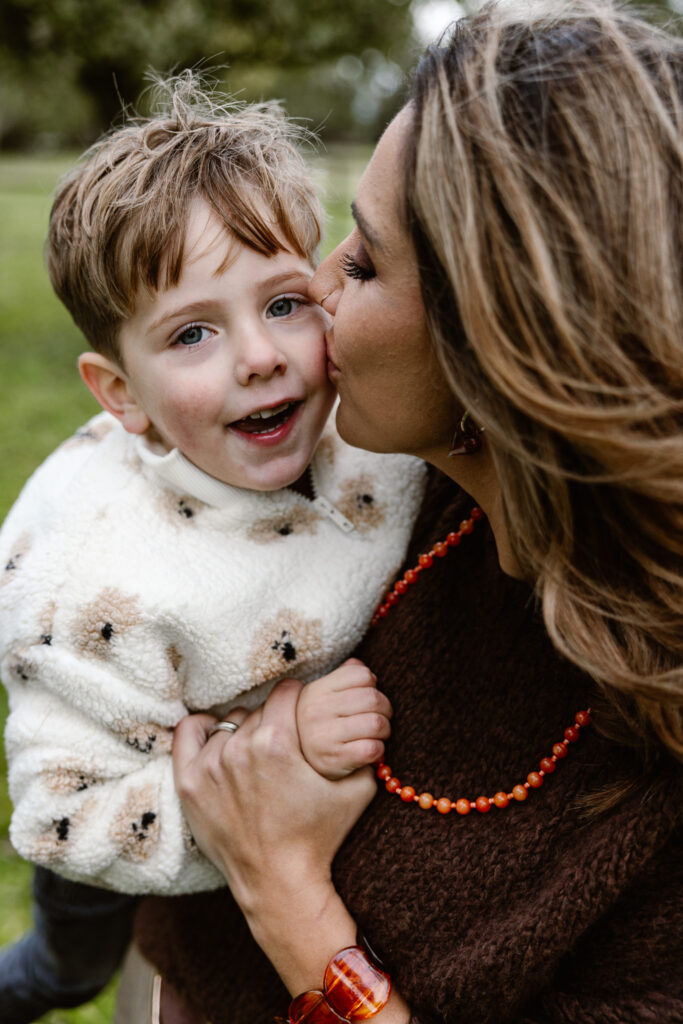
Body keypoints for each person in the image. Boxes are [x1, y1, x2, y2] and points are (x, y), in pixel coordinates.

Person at [128, 2, 682, 1022]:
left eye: (367, 264)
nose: (317, 284)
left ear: (501, 345)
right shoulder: (375, 490)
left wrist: (283, 891)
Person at [0, 77, 426, 1022]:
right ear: (123, 395)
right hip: (117, 794)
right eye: (193, 332)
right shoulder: (92, 595)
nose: (260, 356)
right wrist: (278, 754)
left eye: (284, 304)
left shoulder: (376, 431)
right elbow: (63, 817)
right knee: (67, 970)